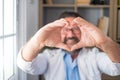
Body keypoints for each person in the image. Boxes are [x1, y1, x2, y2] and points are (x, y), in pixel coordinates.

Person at [17, 11, 120, 80]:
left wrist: (104, 42)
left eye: (75, 29)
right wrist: (37, 41)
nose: (70, 35)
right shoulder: (48, 56)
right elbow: (25, 65)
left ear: (83, 30)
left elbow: (117, 68)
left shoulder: (94, 55)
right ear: (58, 31)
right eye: (66, 29)